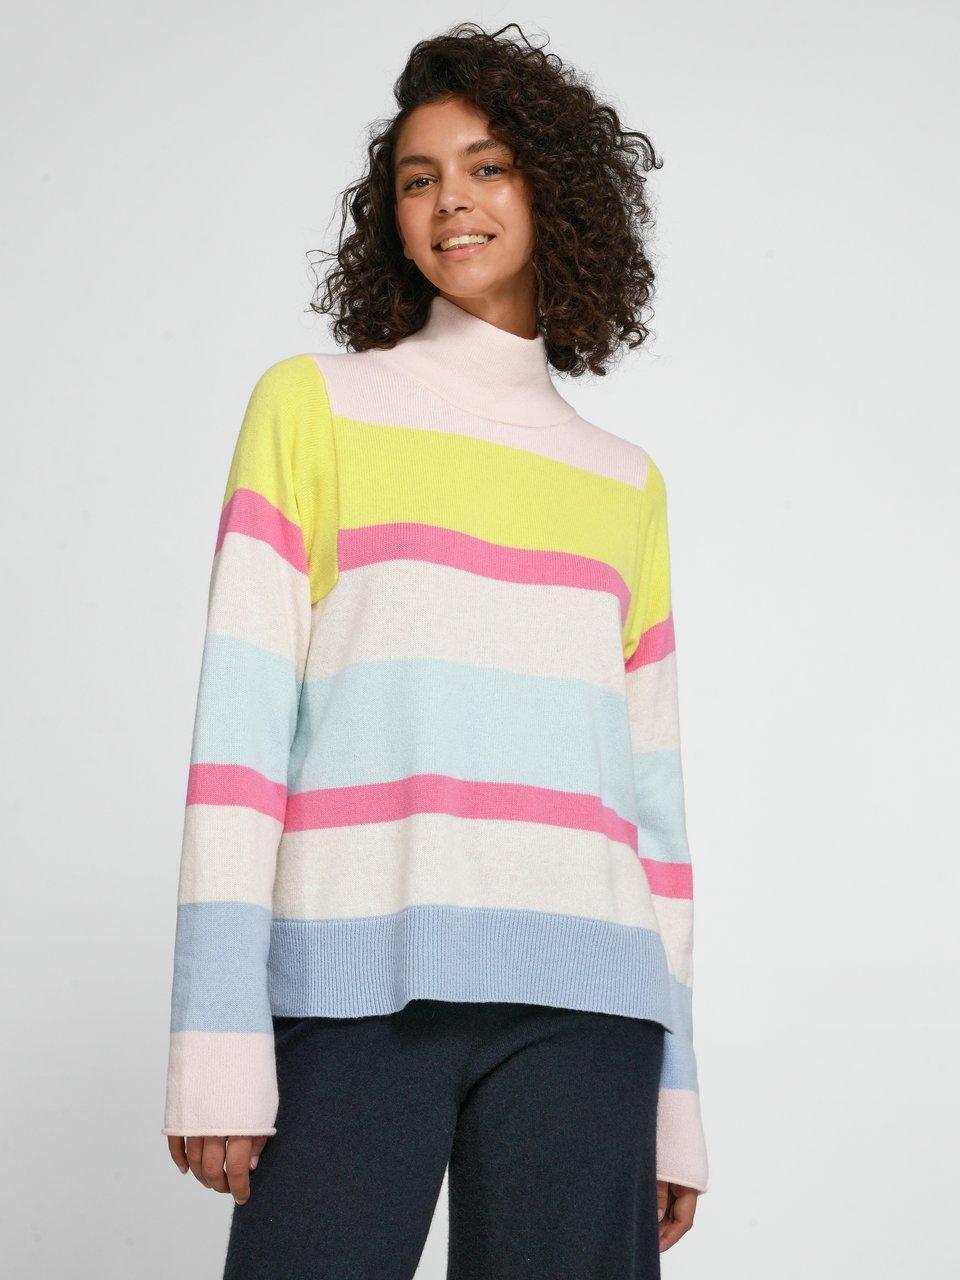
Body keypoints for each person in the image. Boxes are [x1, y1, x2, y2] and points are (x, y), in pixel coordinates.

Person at [161, 21, 708, 1278]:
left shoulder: (624, 481)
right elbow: (239, 743)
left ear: (554, 192)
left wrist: (677, 1095)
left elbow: (655, 813)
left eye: (487, 166)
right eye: (420, 178)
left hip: (593, 1008)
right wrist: (215, 1033)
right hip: (357, 984)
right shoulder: (313, 405)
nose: (452, 198)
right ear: (392, 217)